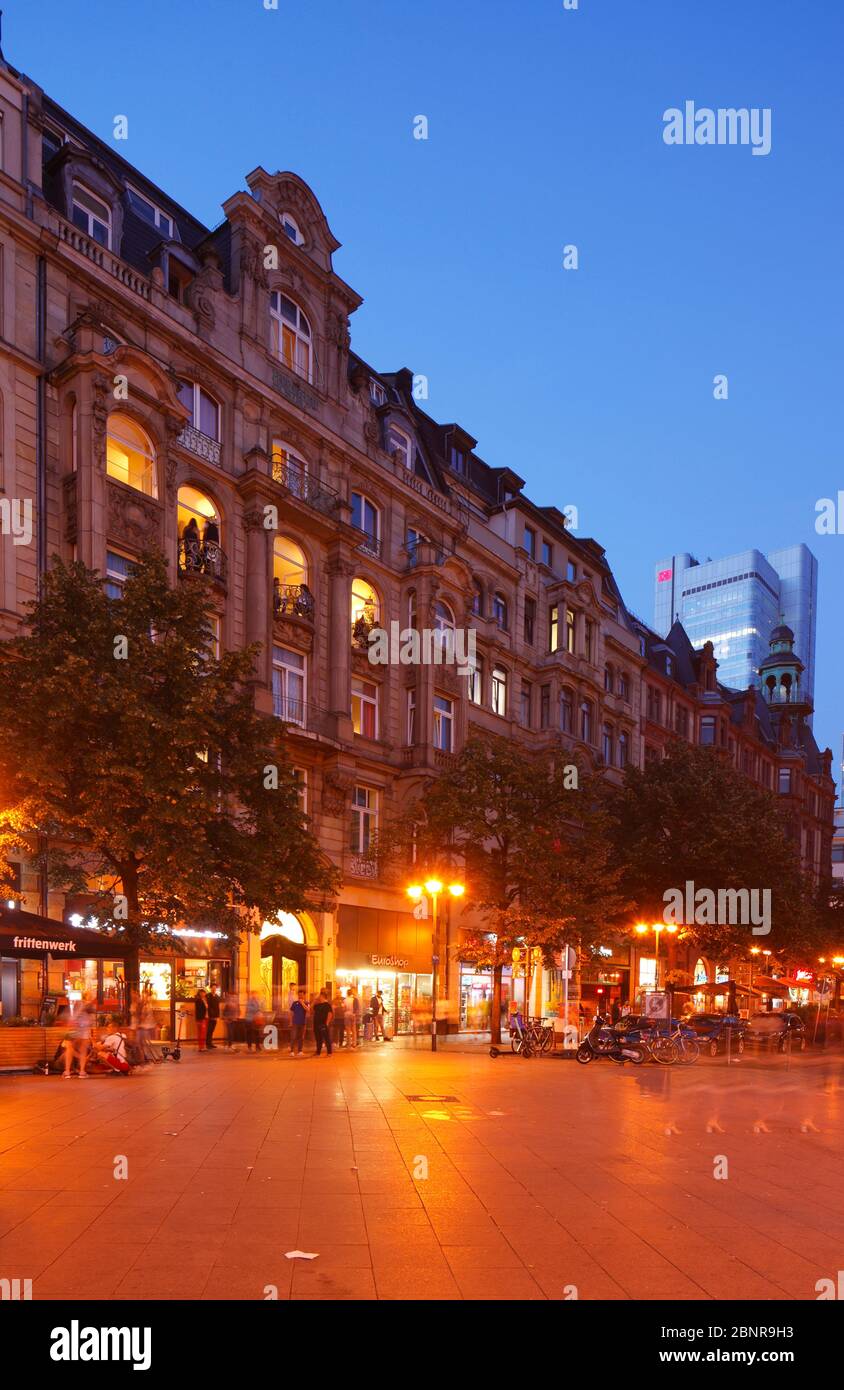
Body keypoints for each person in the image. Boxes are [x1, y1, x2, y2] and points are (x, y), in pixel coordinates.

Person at [61, 996, 95, 1078]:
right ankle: (82, 1072)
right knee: (83, 1051)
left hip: (74, 1028)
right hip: (85, 1029)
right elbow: (91, 1018)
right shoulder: (89, 1005)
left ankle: (67, 1072)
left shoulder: (78, 1003)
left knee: (69, 1048)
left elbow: (69, 1016)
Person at [312, 991, 333, 1056]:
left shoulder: (327, 1005)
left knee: (326, 1038)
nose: (318, 997)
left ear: (323, 996)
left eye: (319, 996)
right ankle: (318, 1052)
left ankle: (329, 1052)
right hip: (316, 1024)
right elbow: (311, 1010)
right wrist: (314, 1000)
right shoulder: (317, 1005)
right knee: (318, 1038)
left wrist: (327, 1022)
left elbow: (330, 1013)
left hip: (323, 1023)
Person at [289, 989, 307, 1056]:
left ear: (304, 995)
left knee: (301, 1037)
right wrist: (290, 1021)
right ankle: (292, 1051)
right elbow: (291, 1012)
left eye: (301, 995)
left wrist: (302, 1003)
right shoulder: (294, 1003)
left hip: (303, 1023)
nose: (300, 996)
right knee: (293, 1037)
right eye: (299, 995)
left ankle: (300, 1051)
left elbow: (308, 1010)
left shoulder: (306, 1003)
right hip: (295, 1022)